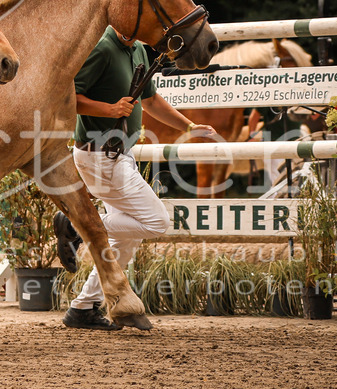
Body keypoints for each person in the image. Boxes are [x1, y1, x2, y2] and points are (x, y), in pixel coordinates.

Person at [59, 26, 218, 330]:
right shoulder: (101, 48)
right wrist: (110, 109)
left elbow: (152, 101)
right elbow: (69, 98)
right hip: (100, 156)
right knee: (156, 222)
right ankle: (75, 226)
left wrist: (189, 126)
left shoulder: (139, 49)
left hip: (119, 154)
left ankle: (82, 308)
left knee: (125, 241)